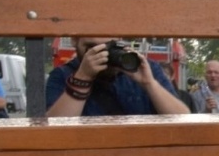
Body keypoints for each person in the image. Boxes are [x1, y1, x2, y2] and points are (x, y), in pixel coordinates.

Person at [47, 38, 190, 117]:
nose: (102, 56)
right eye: (92, 48)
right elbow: (54, 131)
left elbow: (183, 119)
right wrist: (82, 78)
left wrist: (149, 84)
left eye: (108, 48)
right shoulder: (64, 75)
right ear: (74, 41)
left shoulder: (146, 68)